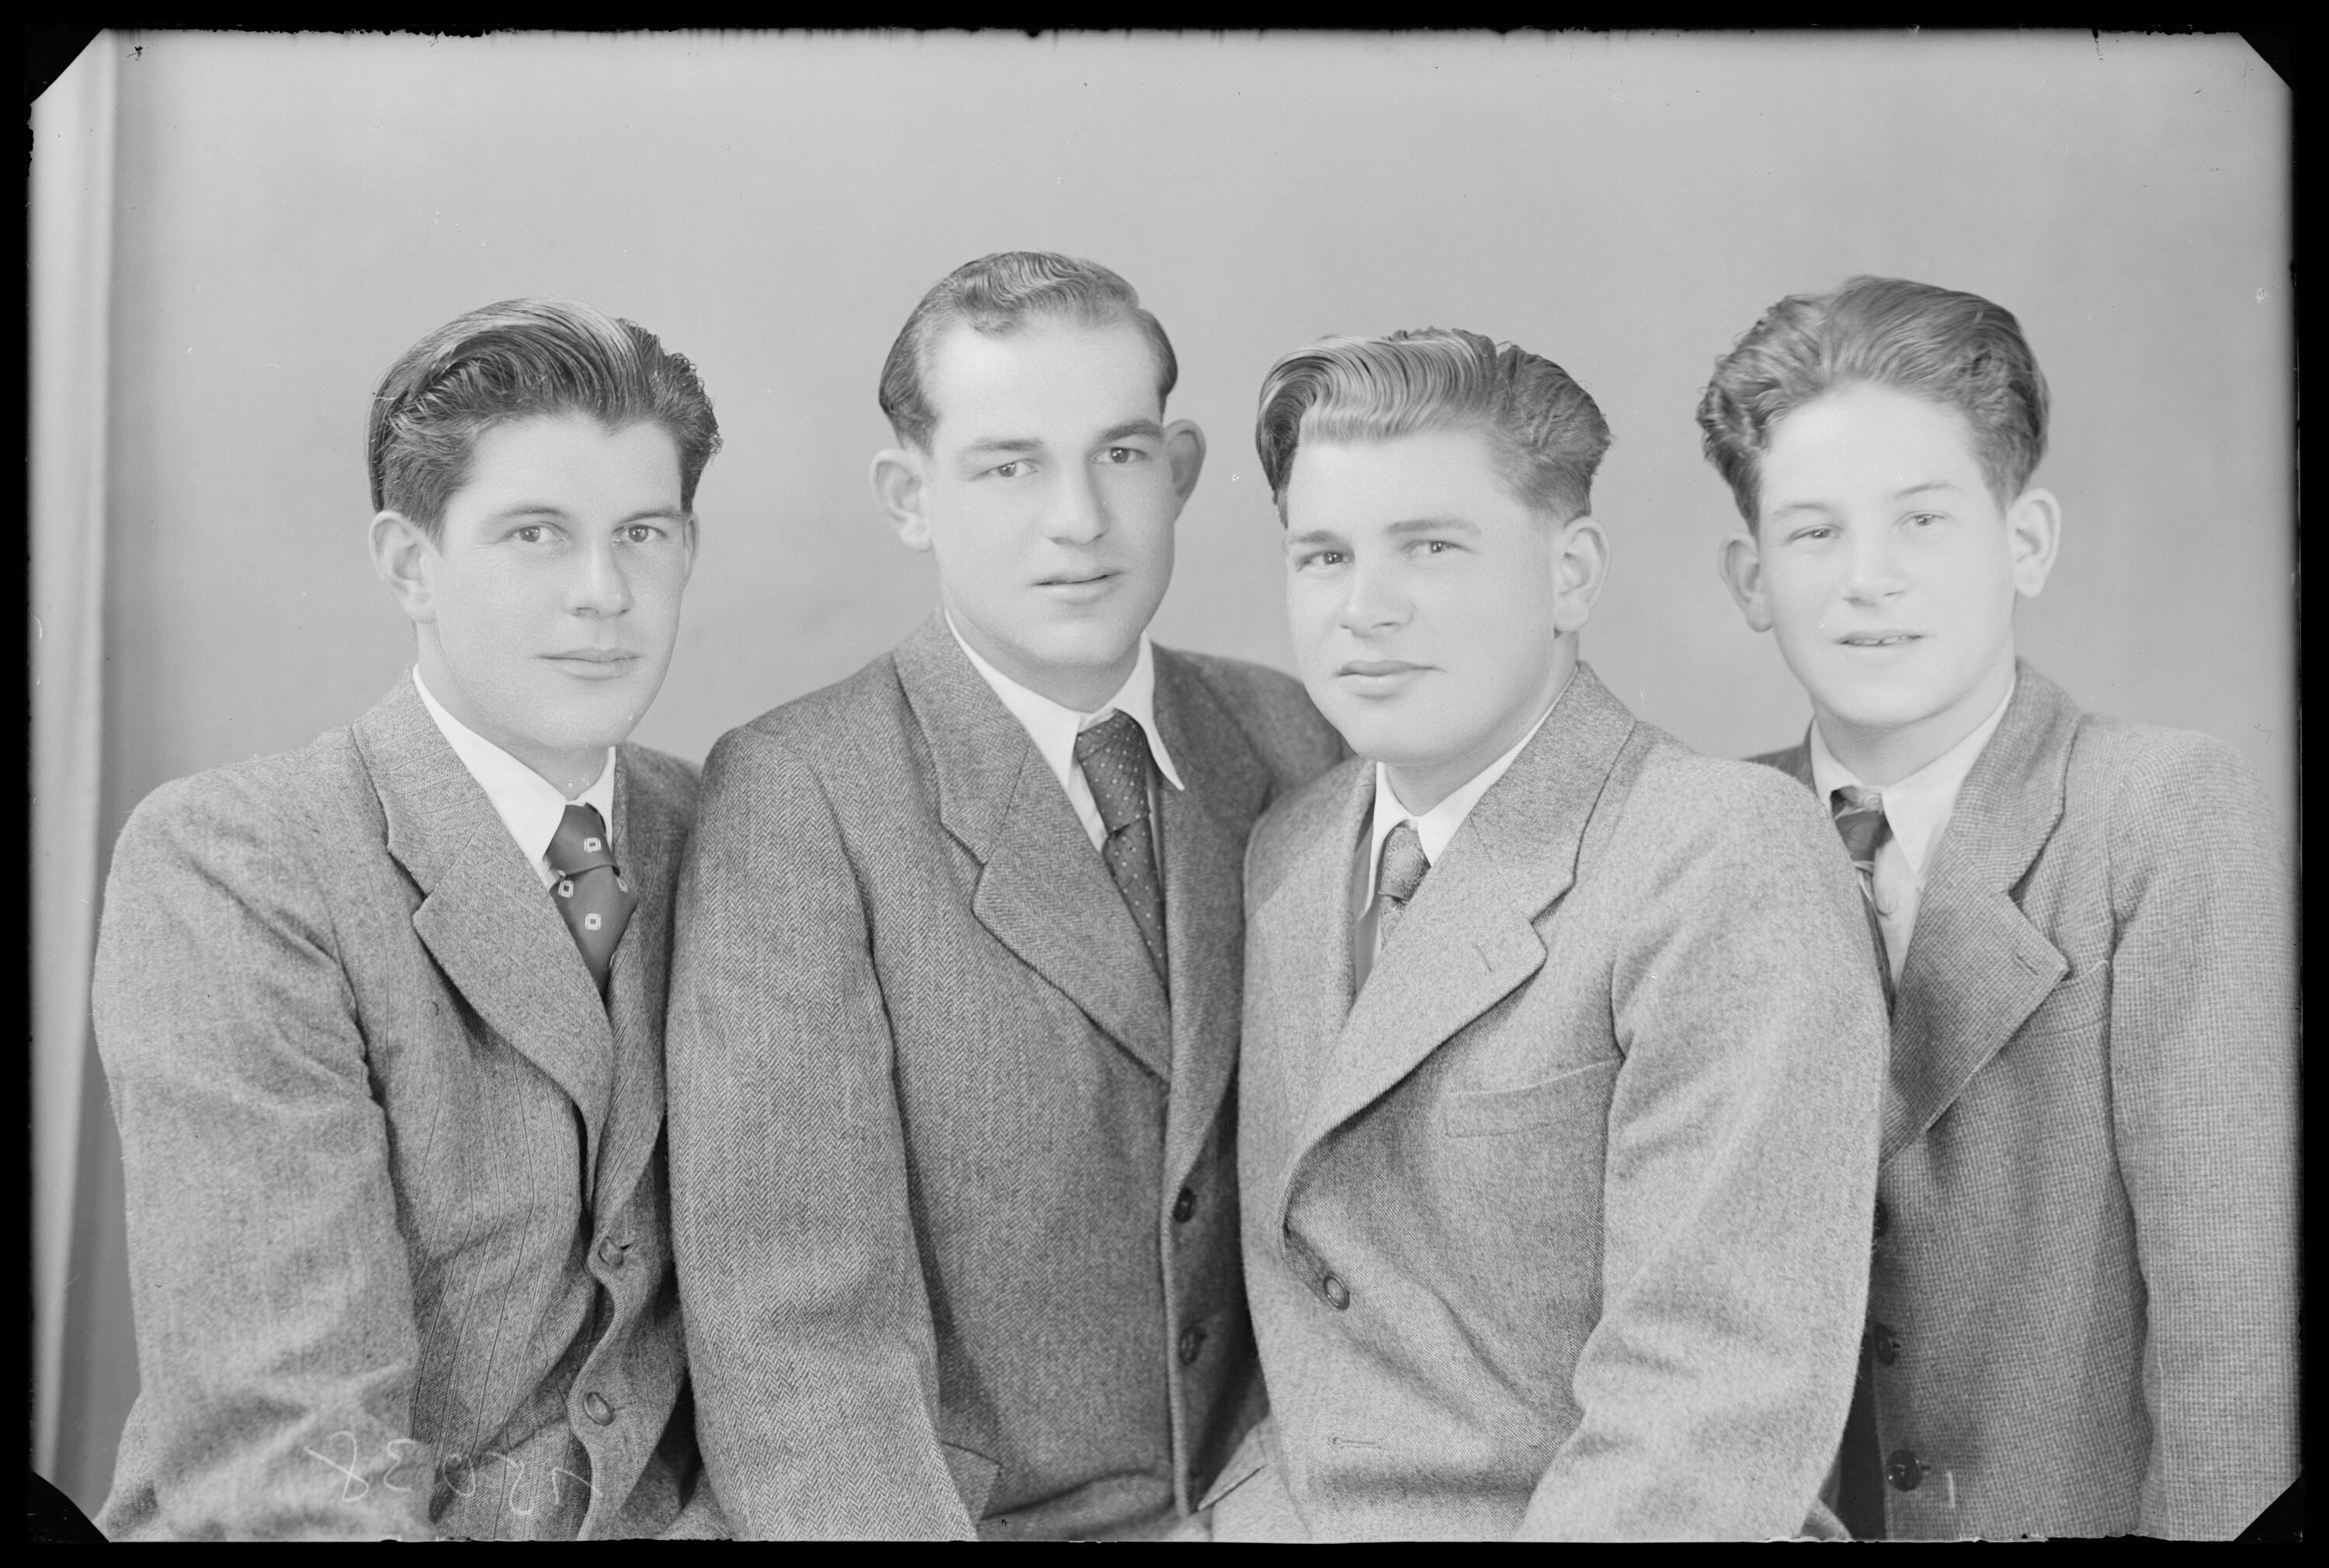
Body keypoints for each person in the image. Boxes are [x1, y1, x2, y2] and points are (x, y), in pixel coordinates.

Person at [665, 252, 1344, 1540]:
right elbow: (801, 1354)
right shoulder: (803, 795)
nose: (1078, 519)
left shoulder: (1293, 735)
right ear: (908, 497)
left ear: (1181, 469)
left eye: (1121, 456)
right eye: (1009, 467)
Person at [1199, 327, 1890, 1541]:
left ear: (1571, 575)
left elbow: (1712, 1408)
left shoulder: (1720, 852)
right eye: (1324, 555)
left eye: (1432, 547)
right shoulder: (1289, 852)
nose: (1366, 609)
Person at [92, 299, 725, 1541]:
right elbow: (286, 1453)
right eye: (535, 534)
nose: (604, 593)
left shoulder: (728, 831)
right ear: (409, 562)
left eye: (643, 534)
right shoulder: (241, 862)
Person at [1700, 275, 2299, 1541]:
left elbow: (2236, 1326)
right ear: (1751, 578)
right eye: (1813, 534)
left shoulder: (2158, 815)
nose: (1869, 580)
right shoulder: (1703, 839)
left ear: (2024, 542)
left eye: (1923, 520)